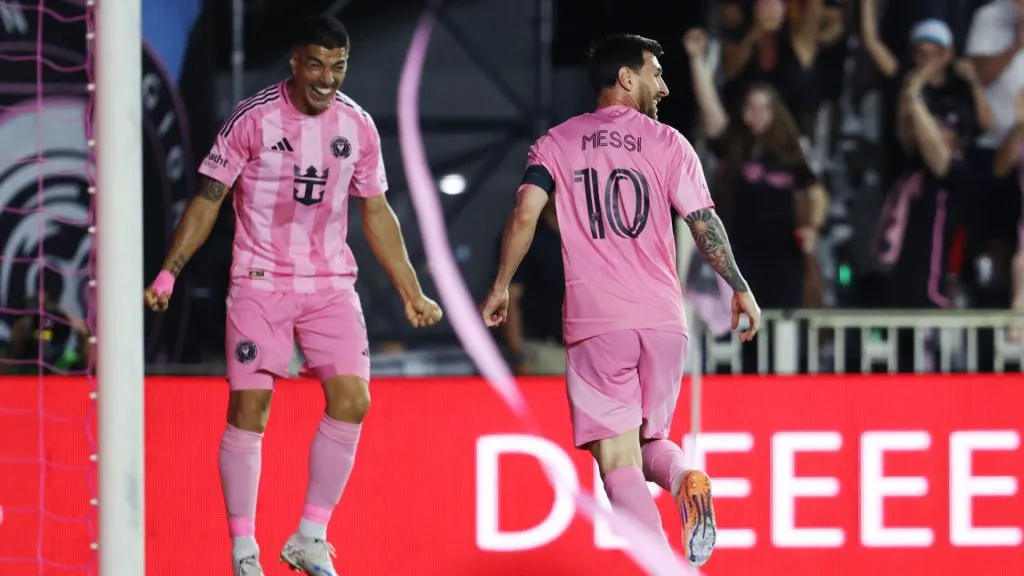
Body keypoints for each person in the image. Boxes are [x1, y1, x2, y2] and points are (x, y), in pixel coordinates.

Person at [143, 16, 442, 576]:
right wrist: (169, 272)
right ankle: (243, 551)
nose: (327, 78)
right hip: (260, 282)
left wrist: (412, 292)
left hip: (330, 285)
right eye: (316, 64)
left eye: (338, 66)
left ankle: (309, 537)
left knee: (353, 401)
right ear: (294, 62)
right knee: (250, 411)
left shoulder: (358, 126)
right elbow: (209, 199)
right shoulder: (253, 119)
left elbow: (376, 212)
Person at [480, 33, 762, 568]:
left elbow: (524, 215)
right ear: (627, 78)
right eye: (656, 73)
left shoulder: (555, 144)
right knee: (652, 440)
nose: (664, 84)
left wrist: (499, 286)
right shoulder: (670, 143)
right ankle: (684, 478)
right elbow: (703, 223)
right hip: (662, 322)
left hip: (598, 323)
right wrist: (739, 288)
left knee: (616, 458)